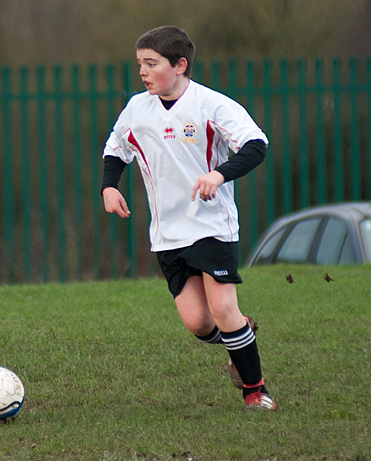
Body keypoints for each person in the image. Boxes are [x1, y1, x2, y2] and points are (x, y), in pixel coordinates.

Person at [101, 25, 275, 411]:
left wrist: (219, 174)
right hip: (168, 233)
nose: (143, 72)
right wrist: (109, 187)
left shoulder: (211, 105)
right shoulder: (137, 108)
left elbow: (256, 145)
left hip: (212, 224)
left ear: (180, 65)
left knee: (223, 308)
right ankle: (239, 337)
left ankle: (256, 391)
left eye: (152, 64)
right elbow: (116, 149)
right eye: (140, 64)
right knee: (198, 323)